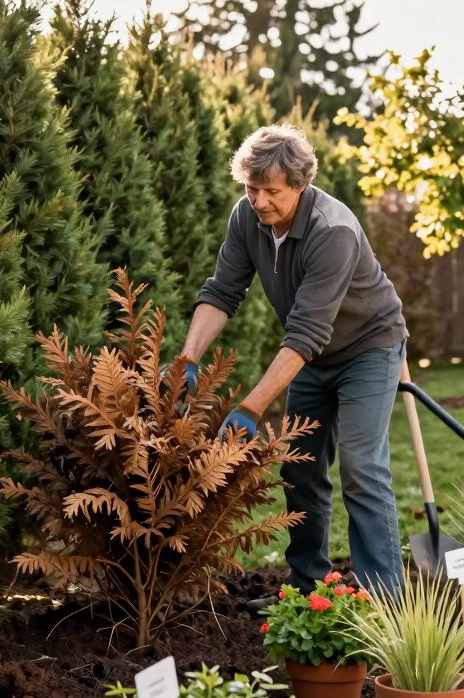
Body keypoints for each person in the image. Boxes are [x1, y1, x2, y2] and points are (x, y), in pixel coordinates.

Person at [176, 124, 409, 599]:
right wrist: (186, 359)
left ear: (301, 185)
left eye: (272, 192)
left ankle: (385, 600)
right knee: (300, 467)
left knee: (362, 469)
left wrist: (251, 408)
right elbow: (222, 291)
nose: (259, 201)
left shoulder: (333, 231)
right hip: (312, 356)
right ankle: (309, 590)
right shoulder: (247, 217)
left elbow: (305, 333)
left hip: (369, 347)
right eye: (251, 188)